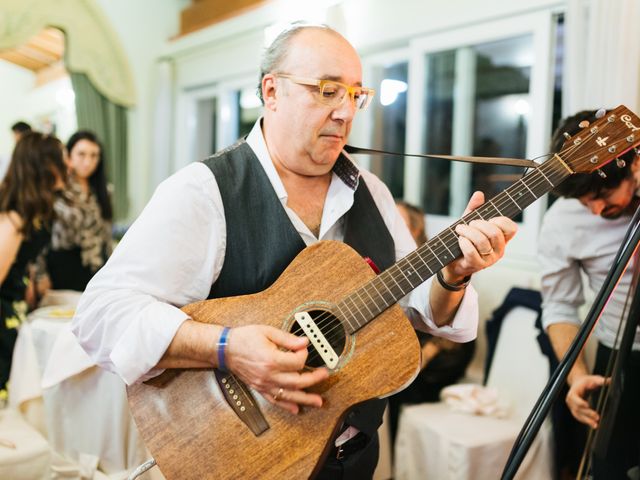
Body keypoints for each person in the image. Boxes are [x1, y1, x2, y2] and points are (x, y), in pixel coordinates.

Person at [72, 23, 517, 478]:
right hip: (240, 457)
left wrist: (454, 275)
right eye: (327, 91)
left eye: (355, 94)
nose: (345, 111)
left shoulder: (376, 195)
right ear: (272, 91)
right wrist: (226, 347)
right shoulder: (205, 190)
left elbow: (425, 312)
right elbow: (100, 314)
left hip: (354, 460)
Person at [539, 109, 640, 479]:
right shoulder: (562, 221)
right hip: (620, 362)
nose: (597, 210)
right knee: (611, 468)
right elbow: (560, 305)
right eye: (585, 202)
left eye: (601, 193)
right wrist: (576, 375)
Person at [388, 200, 476, 443]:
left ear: (414, 231)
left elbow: (449, 336)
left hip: (435, 357)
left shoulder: (436, 265)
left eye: (399, 222)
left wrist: (422, 355)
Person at [0, 131, 66, 401]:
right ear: (43, 166)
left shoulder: (35, 210)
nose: (68, 165)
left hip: (15, 303)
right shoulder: (13, 218)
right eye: (60, 160)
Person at [38, 130, 113, 292]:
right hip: (62, 266)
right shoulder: (57, 189)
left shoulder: (103, 191)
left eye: (94, 156)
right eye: (81, 154)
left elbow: (106, 235)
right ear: (68, 156)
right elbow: (41, 237)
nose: (88, 162)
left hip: (96, 265)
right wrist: (40, 274)